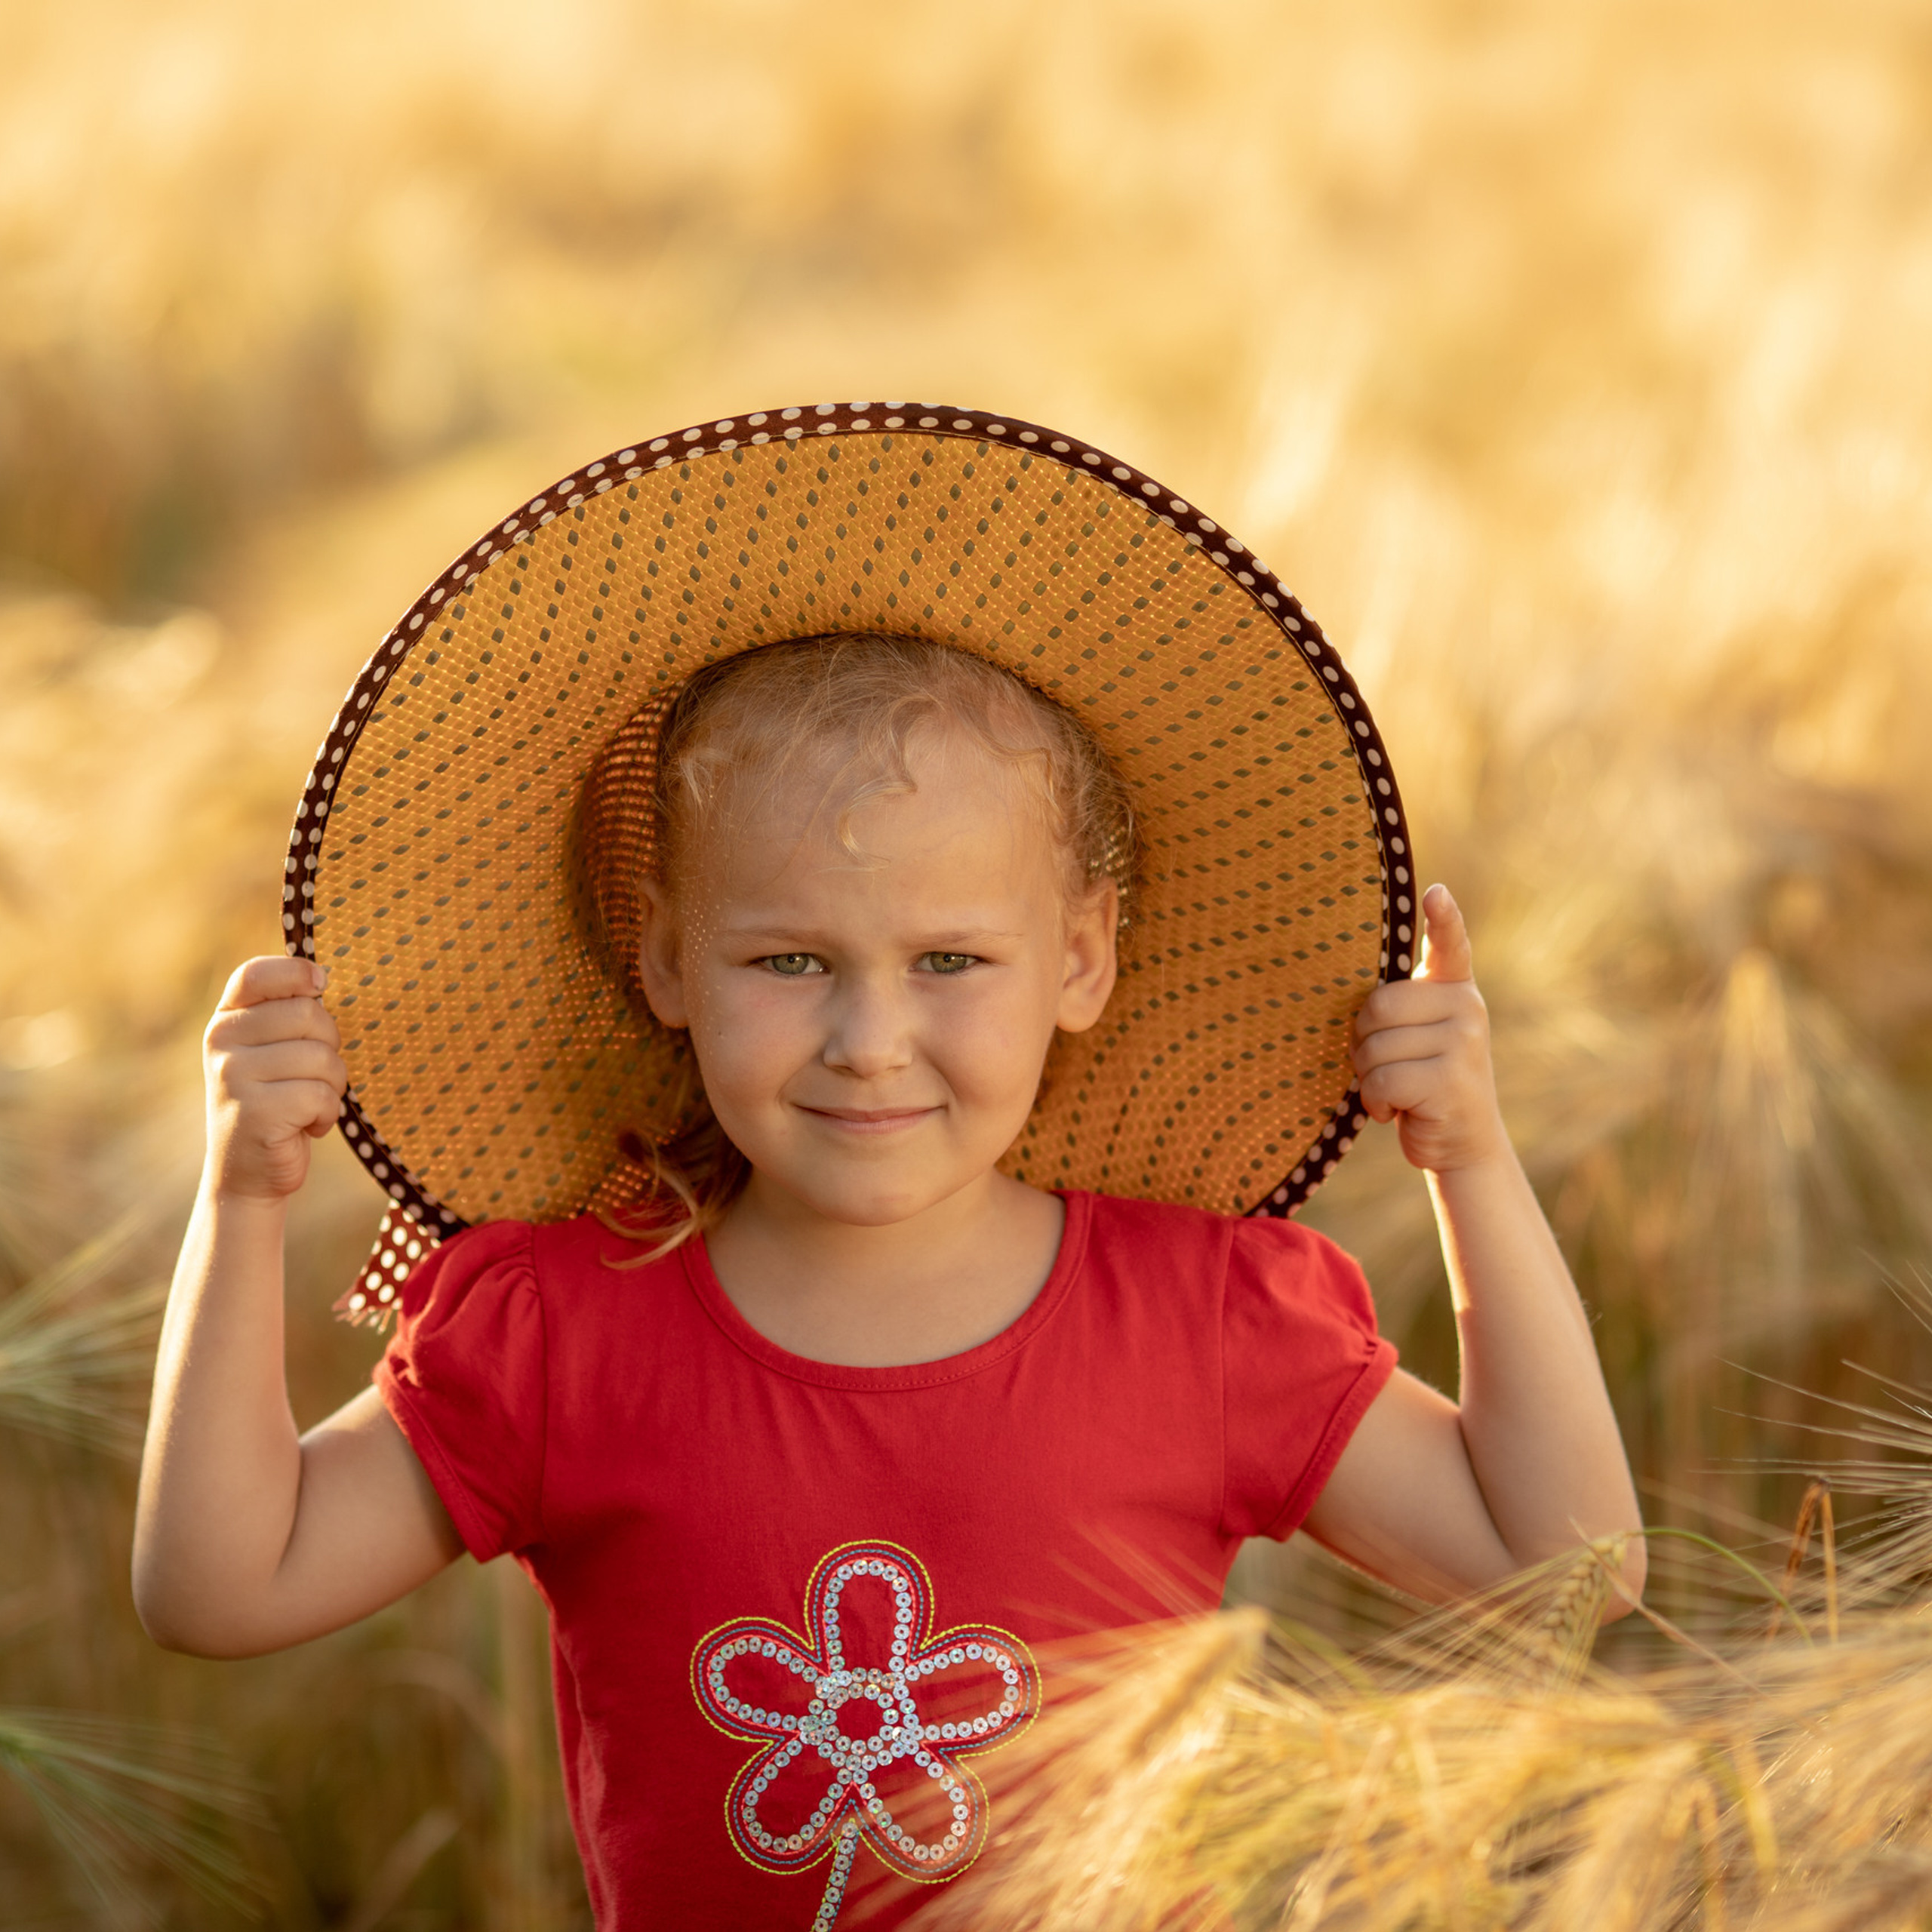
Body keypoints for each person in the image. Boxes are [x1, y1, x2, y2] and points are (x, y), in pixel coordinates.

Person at [134, 411, 1641, 1931]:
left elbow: (1565, 1566)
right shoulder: (559, 1329)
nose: (869, 1038)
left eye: (949, 959)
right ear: (662, 957)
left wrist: (1472, 1160)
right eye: (787, 957)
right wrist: (241, 1196)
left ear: (1080, 955)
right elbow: (219, 1585)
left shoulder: (1197, 1315)